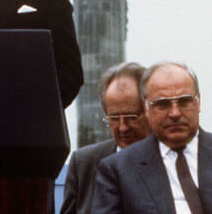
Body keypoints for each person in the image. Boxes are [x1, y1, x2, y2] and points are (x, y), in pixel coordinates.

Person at [92, 61, 212, 214]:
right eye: (163, 104)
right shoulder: (118, 169)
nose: (175, 113)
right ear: (147, 108)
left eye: (184, 101)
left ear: (198, 102)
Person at [60, 62, 151, 214]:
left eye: (131, 117)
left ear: (150, 112)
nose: (123, 127)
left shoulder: (170, 159)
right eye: (114, 118)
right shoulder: (83, 163)